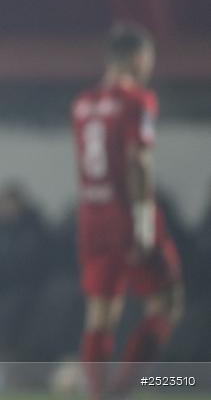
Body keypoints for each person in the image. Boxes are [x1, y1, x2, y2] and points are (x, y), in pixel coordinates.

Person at [71, 23, 183, 400]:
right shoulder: (138, 100)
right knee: (167, 303)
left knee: (101, 313)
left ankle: (96, 395)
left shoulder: (82, 103)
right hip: (125, 211)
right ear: (138, 58)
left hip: (91, 213)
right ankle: (121, 390)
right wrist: (143, 217)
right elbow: (139, 161)